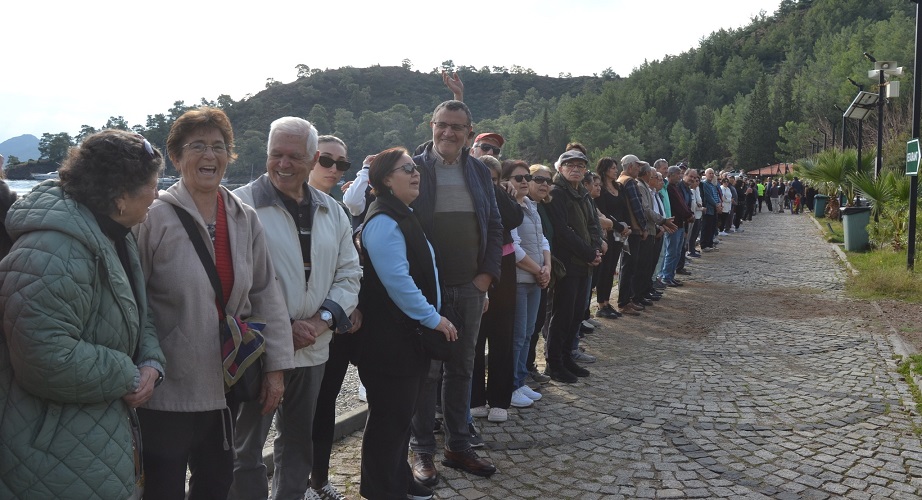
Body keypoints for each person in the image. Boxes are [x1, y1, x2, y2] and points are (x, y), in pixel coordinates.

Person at [135, 107, 295, 499]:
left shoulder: (244, 217)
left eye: (219, 147)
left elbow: (266, 294)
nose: (210, 156)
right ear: (175, 157)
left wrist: (276, 368)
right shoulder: (154, 217)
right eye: (198, 146)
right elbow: (132, 302)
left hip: (225, 383)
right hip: (164, 389)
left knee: (215, 484)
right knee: (163, 488)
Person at [0, 130, 165, 499]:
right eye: (152, 186)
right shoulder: (53, 249)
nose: (158, 194)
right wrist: (127, 372)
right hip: (54, 453)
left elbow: (137, 312)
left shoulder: (114, 234)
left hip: (91, 437)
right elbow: (44, 357)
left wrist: (151, 361)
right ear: (120, 197)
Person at [231, 118, 361, 500]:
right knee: (245, 449)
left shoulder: (332, 211)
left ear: (312, 158)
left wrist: (321, 323)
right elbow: (230, 285)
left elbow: (350, 273)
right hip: (257, 349)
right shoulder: (239, 206)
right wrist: (280, 328)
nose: (283, 164)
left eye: (293, 156)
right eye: (276, 155)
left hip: (313, 347)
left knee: (298, 441)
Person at [409, 100, 501, 486]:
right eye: (442, 125)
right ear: (431, 125)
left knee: (463, 367)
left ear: (468, 132)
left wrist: (486, 278)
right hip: (426, 288)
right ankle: (423, 450)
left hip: (469, 285)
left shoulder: (479, 169)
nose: (448, 133)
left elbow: (495, 226)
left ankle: (458, 445)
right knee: (427, 372)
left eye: (457, 127)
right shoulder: (411, 167)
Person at [358, 147, 458, 500]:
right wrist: (434, 318)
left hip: (403, 339)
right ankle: (381, 490)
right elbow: (398, 282)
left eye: (415, 168)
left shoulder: (403, 213)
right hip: (388, 341)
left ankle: (397, 479)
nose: (415, 173)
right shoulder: (384, 220)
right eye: (406, 169)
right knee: (389, 420)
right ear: (386, 179)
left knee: (399, 418)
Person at [307, 135, 366, 500]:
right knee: (295, 411)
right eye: (325, 160)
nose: (333, 169)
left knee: (325, 403)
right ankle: (296, 480)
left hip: (334, 323)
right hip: (299, 325)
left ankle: (318, 479)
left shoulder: (339, 211)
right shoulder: (283, 205)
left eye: (341, 164)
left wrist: (349, 305)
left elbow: (350, 267)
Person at [470, 156, 523, 422]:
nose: (486, 183)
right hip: (472, 266)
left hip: (504, 265)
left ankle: (500, 399)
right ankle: (475, 398)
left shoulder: (503, 195)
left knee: (503, 333)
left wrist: (496, 190)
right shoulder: (466, 194)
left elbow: (514, 218)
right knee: (475, 338)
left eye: (492, 178)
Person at [544, 149, 602, 383]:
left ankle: (567, 358)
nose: (576, 169)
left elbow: (593, 224)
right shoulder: (557, 193)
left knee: (577, 313)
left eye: (580, 165)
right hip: (567, 264)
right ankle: (554, 364)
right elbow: (562, 231)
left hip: (585, 262)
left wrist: (596, 247)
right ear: (560, 168)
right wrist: (589, 252)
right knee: (562, 315)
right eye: (570, 165)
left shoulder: (582, 193)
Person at [524, 164, 555, 383]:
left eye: (548, 181)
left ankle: (528, 366)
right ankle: (522, 371)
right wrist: (541, 269)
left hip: (543, 272)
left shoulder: (542, 206)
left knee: (535, 325)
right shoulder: (523, 206)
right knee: (525, 330)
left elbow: (545, 239)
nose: (544, 184)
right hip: (526, 275)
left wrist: (548, 267)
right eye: (539, 179)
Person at [593, 157, 630, 319]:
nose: (616, 170)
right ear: (605, 169)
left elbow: (624, 208)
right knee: (605, 269)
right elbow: (604, 212)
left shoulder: (618, 187)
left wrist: (626, 226)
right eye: (613, 168)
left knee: (612, 267)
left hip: (620, 233)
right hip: (608, 232)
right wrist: (619, 226)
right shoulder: (601, 189)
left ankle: (607, 302)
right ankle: (601, 304)